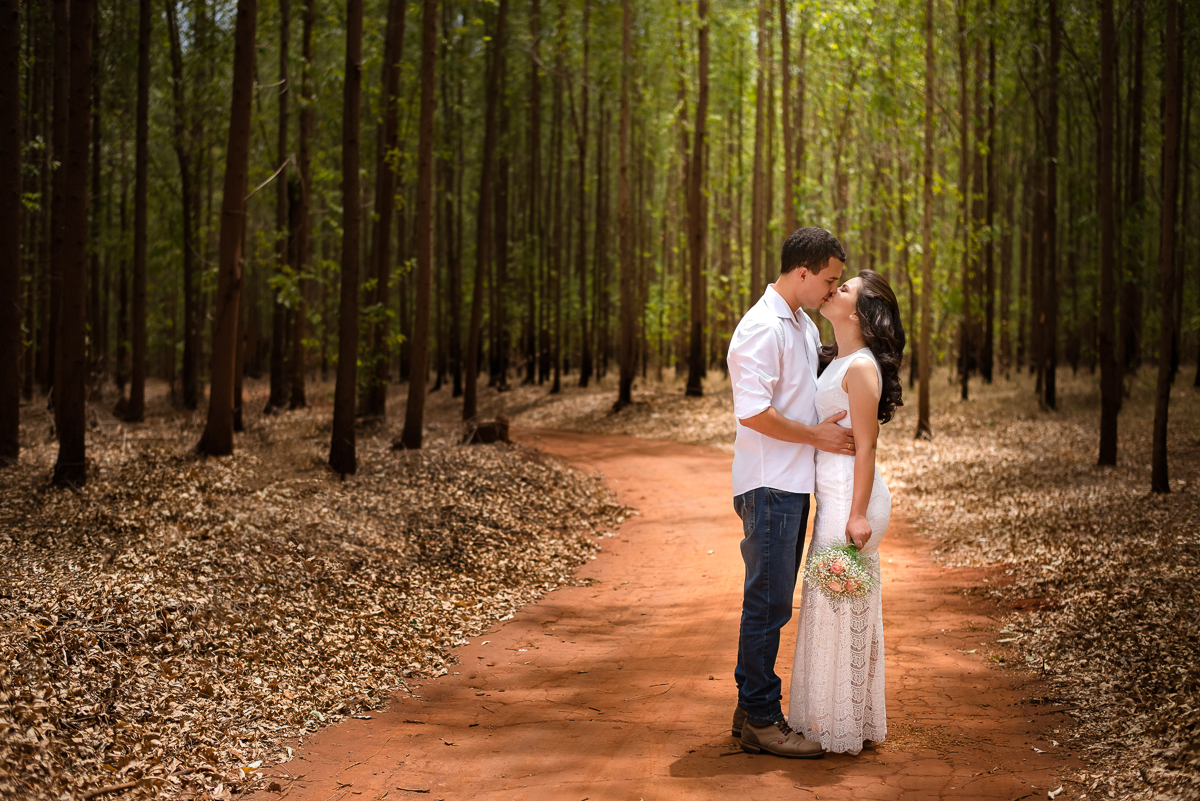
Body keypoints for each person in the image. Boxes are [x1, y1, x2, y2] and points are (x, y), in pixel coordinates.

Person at [725, 227, 854, 759]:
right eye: (829, 280)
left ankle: (747, 710)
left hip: (793, 484)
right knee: (768, 604)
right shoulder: (761, 327)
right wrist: (817, 436)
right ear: (802, 272)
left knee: (772, 600)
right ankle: (762, 719)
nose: (832, 290)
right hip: (769, 484)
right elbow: (753, 412)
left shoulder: (800, 323)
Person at [788, 269, 905, 755]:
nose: (832, 290)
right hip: (835, 496)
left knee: (839, 605)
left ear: (858, 313)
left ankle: (844, 723)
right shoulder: (839, 359)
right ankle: (838, 716)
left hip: (850, 501)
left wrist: (856, 515)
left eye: (844, 288)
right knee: (831, 606)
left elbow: (867, 447)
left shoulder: (859, 367)